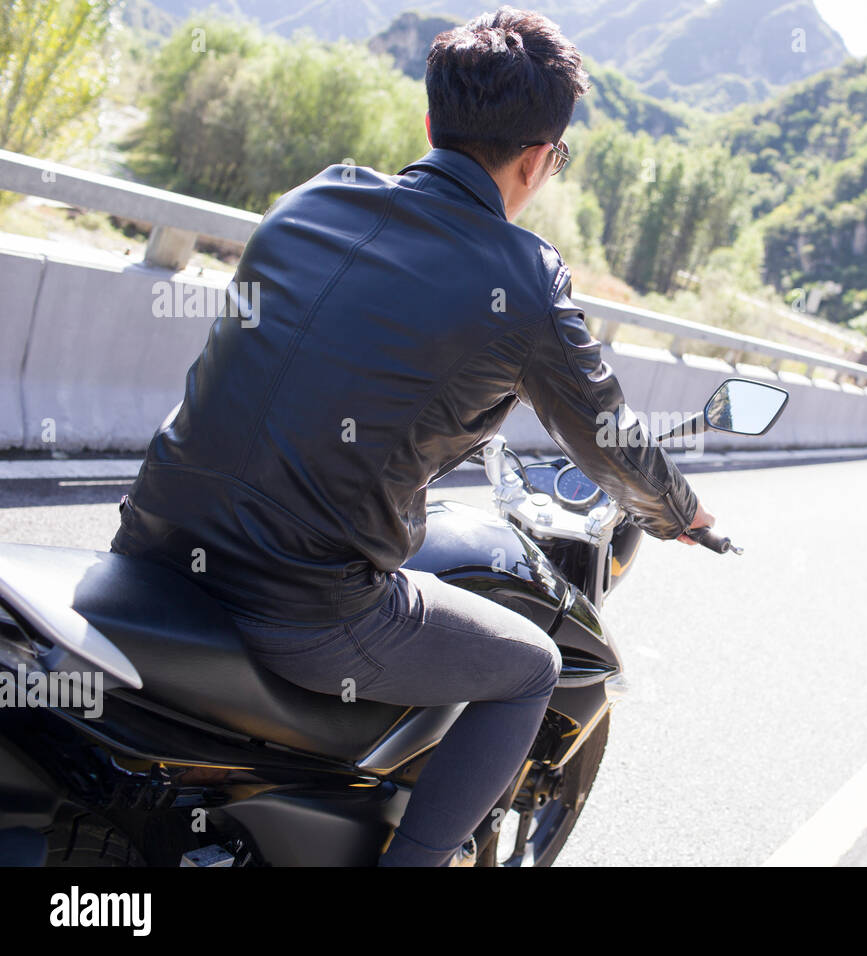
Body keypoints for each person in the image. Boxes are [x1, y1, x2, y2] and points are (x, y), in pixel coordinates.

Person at [109, 6, 712, 867]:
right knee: (532, 667)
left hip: (151, 537)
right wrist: (682, 513)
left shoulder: (315, 196)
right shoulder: (527, 280)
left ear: (432, 123)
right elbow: (609, 437)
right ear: (541, 158)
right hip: (301, 609)